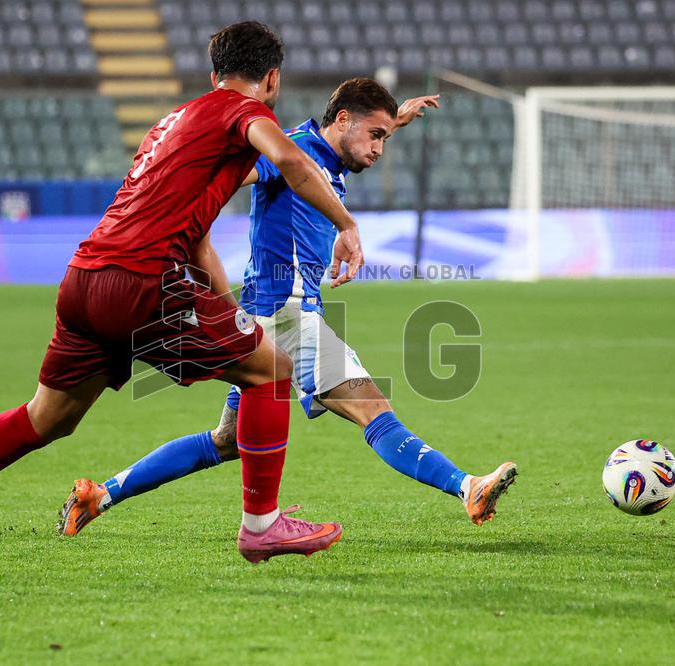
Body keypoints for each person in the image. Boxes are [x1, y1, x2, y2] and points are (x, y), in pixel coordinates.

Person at [0, 21, 366, 575]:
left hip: (85, 278)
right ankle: (262, 526)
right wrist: (346, 224)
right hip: (144, 282)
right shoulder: (245, 112)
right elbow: (295, 162)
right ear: (272, 80)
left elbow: (198, 237)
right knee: (273, 372)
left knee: (48, 418)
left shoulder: (172, 123)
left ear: (213, 75)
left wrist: (226, 310)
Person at [58, 78, 517, 539]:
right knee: (373, 411)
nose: (380, 148)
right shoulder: (291, 152)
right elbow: (232, 176)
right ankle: (467, 487)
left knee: (227, 441)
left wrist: (395, 118)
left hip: (262, 316)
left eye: (386, 138)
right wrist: (185, 220)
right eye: (376, 135)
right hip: (288, 315)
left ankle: (101, 495)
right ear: (342, 121)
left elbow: (338, 147)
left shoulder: (324, 151)